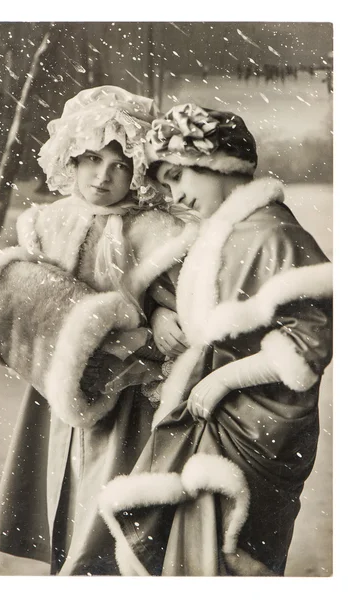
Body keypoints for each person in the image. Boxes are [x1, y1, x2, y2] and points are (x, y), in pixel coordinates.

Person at [98, 103, 333, 576]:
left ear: (218, 163)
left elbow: (308, 344)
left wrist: (225, 379)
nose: (175, 194)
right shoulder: (223, 231)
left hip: (253, 426)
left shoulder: (272, 232)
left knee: (225, 556)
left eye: (178, 176)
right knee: (194, 555)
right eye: (166, 184)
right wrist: (163, 312)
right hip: (211, 424)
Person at [0, 86, 197, 575]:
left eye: (120, 165)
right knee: (61, 485)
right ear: (69, 161)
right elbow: (25, 302)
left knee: (111, 504)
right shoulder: (43, 224)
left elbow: (178, 300)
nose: (103, 175)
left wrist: (158, 315)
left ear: (138, 172)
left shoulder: (157, 229)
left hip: (128, 390)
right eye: (91, 159)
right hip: (57, 382)